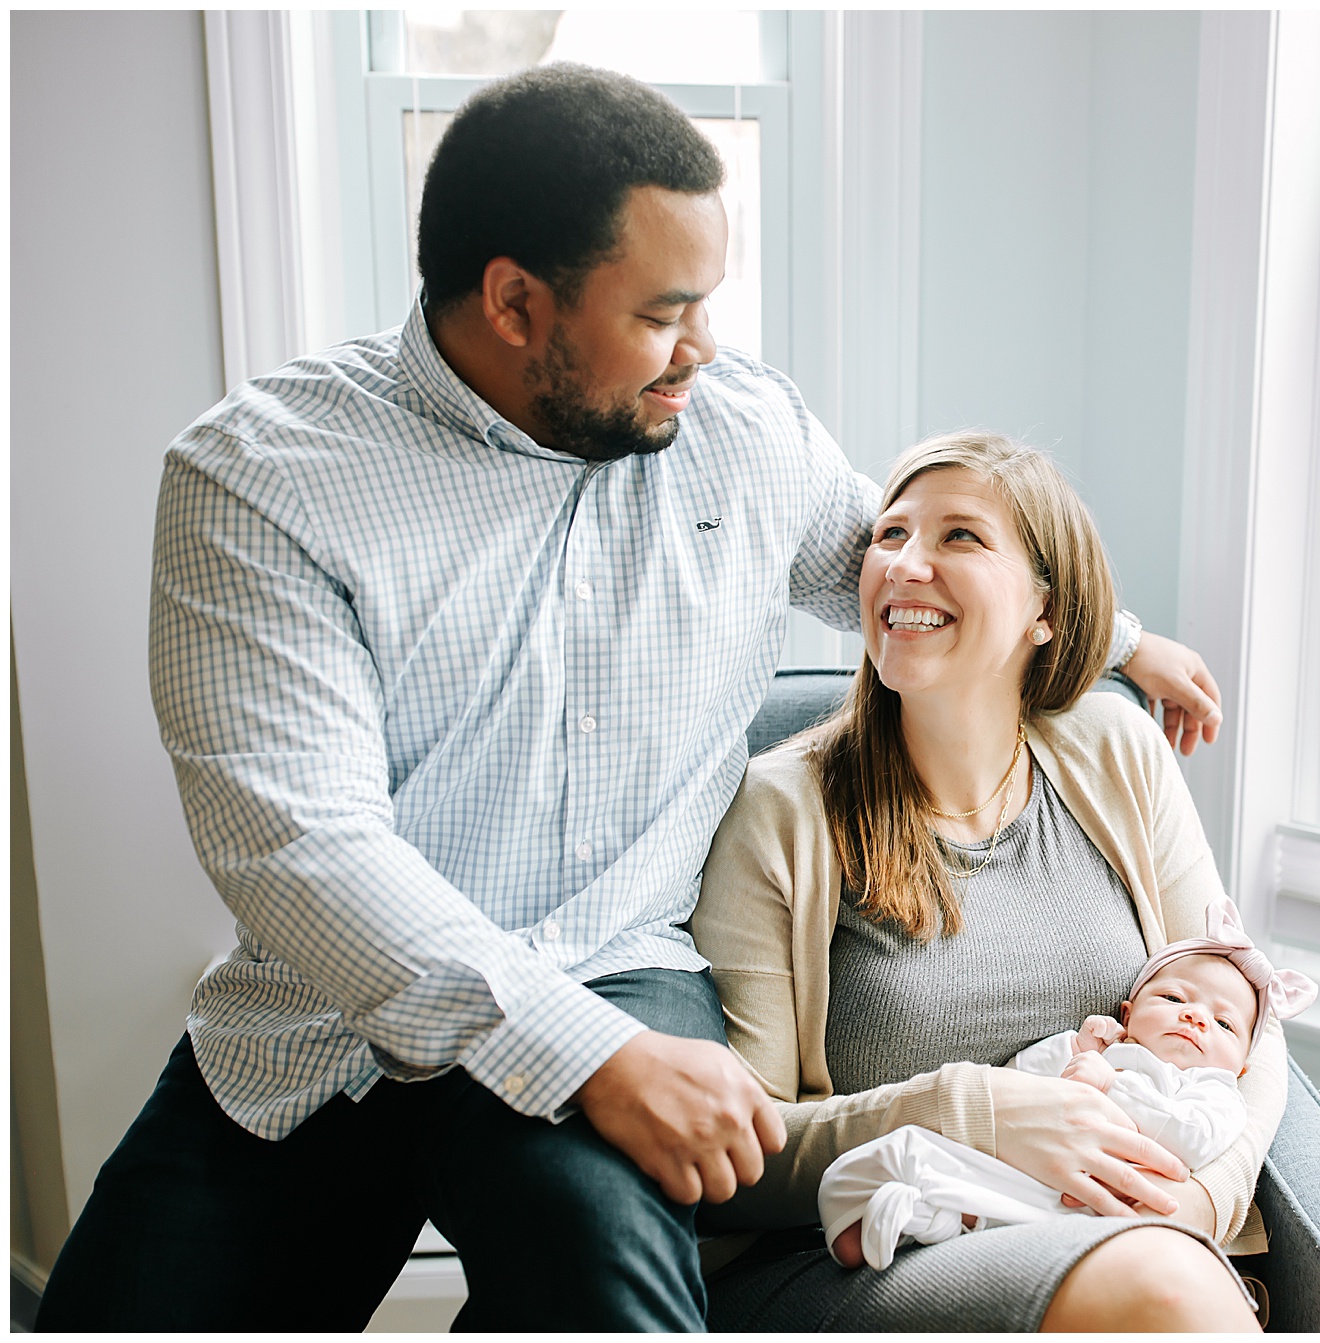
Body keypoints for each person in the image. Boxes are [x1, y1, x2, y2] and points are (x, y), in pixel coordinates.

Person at [34, 65, 1221, 1332]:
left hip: (617, 969)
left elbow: (901, 572)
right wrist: (584, 1055)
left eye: (707, 302)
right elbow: (304, 851)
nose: (703, 347)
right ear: (513, 302)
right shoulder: (259, 478)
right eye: (665, 312)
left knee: (614, 1292)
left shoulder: (733, 432)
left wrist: (1114, 638)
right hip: (328, 1020)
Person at [688, 433, 1281, 1332]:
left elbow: (1249, 1009)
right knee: (1163, 1293)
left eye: (960, 537)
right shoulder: (781, 809)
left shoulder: (1115, 752)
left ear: (1046, 607)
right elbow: (743, 1156)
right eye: (889, 535)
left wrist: (1201, 1207)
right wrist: (974, 1113)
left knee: (1167, 1278)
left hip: (1129, 1234)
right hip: (860, 1257)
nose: (904, 564)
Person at [817, 898, 1318, 1271]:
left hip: (1091, 1207)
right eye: (1172, 997)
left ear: (1242, 1068)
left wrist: (1112, 1082)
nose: (1195, 1016)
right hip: (1022, 1167)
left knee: (1016, 1210)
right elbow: (1016, 1083)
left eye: (1225, 1024)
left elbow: (1191, 1136)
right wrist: (1076, 1052)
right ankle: (926, 1214)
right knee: (880, 1160)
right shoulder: (1098, 1047)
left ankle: (942, 1220)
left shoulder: (1213, 1091)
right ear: (1129, 1012)